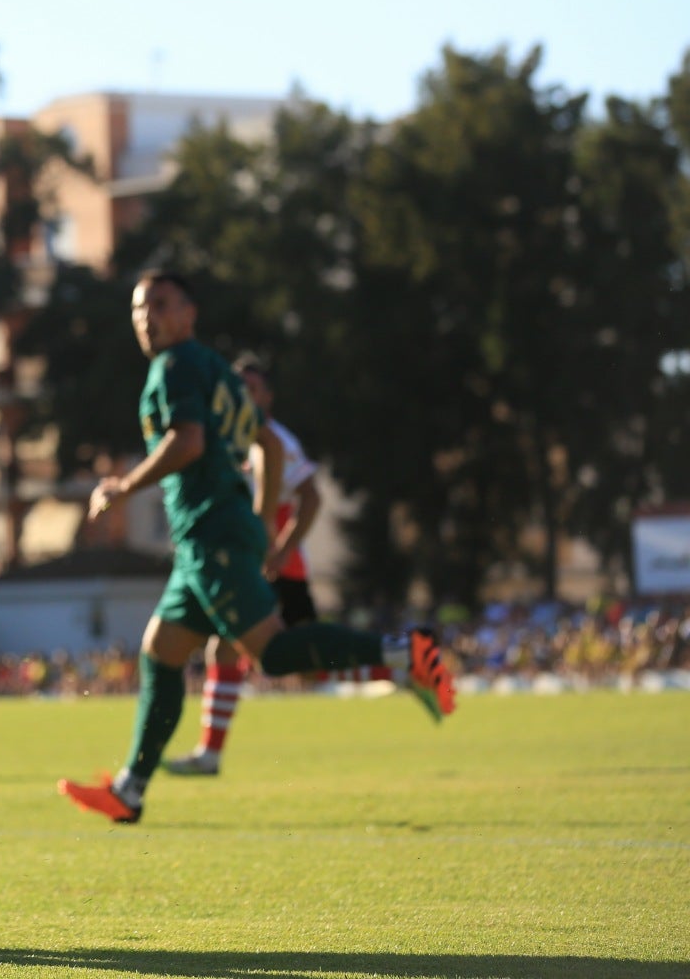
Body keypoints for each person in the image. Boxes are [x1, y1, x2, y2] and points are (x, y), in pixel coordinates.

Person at [58, 270, 456, 825]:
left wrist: (123, 487)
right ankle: (131, 790)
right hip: (213, 535)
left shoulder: (174, 367)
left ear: (189, 313)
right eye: (139, 308)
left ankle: (405, 652)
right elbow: (267, 442)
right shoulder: (218, 371)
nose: (147, 317)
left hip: (212, 533)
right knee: (161, 652)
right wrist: (265, 518)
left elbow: (188, 442)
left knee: (273, 652)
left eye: (161, 305)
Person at [167, 354, 336, 775]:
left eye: (252, 389)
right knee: (229, 649)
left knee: (307, 664)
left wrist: (281, 548)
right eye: (237, 388)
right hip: (245, 560)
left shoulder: (276, 440)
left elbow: (312, 496)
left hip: (275, 566)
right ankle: (209, 754)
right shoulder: (230, 439)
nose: (243, 396)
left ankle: (403, 664)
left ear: (268, 397)